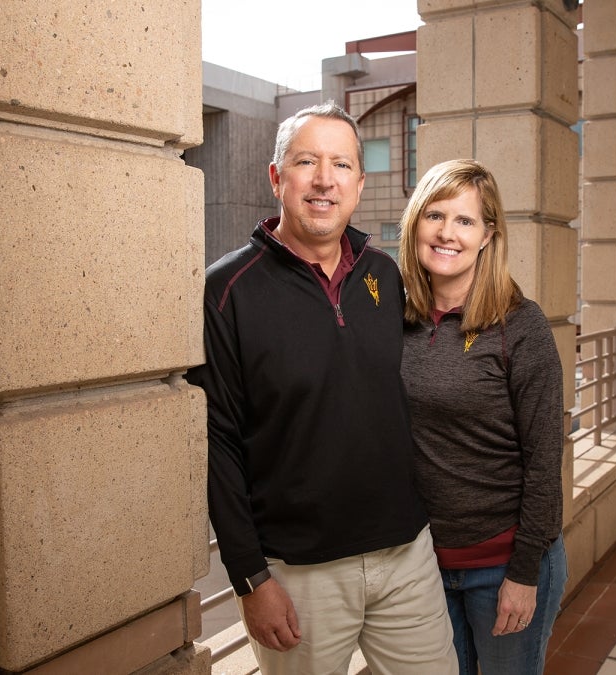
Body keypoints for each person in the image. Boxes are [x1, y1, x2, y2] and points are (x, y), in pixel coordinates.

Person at [187, 103, 457, 674]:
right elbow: (218, 445)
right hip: (300, 574)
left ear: (359, 182)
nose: (324, 180)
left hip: (406, 556)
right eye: (306, 161)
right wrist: (249, 577)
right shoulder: (225, 291)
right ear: (276, 177)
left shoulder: (384, 274)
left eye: (341, 164)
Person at [399, 159, 567, 675]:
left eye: (465, 221)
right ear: (415, 225)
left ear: (488, 235)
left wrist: (523, 573)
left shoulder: (520, 325)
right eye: (435, 215)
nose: (447, 233)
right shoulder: (395, 320)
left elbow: (544, 460)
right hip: (422, 565)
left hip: (503, 566)